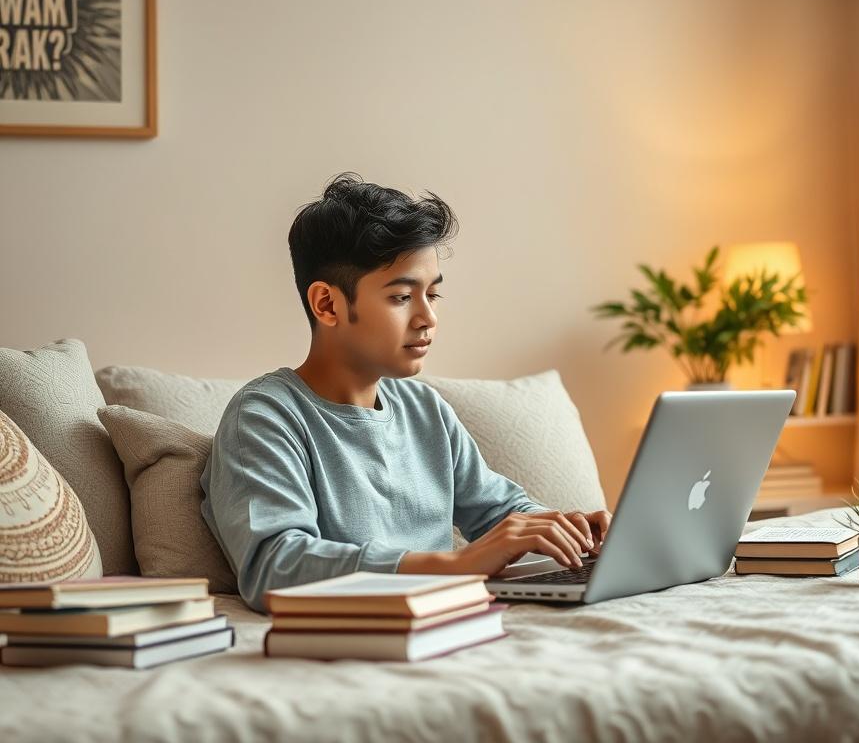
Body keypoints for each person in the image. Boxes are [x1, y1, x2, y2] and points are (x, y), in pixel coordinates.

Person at [200, 173, 612, 612]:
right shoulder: (265, 416)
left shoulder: (425, 409)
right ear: (327, 305)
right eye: (401, 297)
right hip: (370, 640)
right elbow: (274, 567)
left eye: (433, 295)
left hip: (455, 624)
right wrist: (458, 564)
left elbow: (499, 512)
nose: (428, 318)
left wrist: (569, 529)